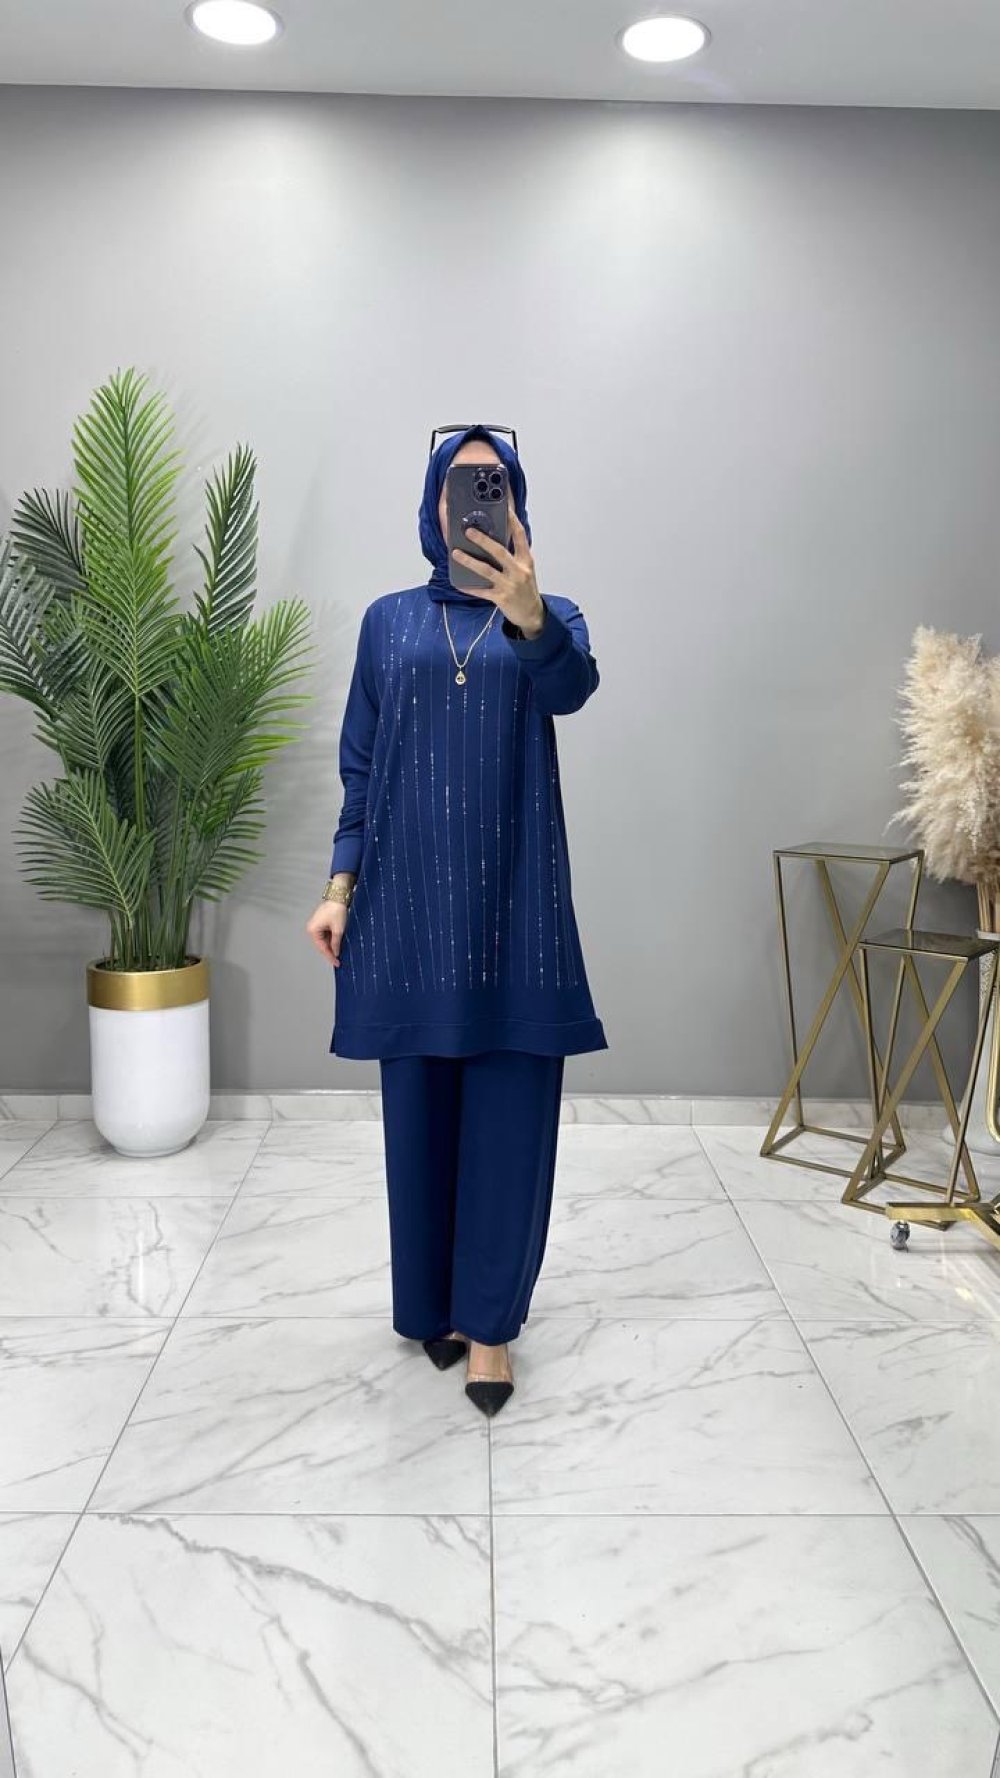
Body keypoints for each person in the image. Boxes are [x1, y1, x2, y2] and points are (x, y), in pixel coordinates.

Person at [306, 423, 607, 1415]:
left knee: (509, 1118)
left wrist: (530, 616)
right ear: (434, 505)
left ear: (516, 504)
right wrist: (339, 889)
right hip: (406, 908)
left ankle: (490, 1330)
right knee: (420, 1122)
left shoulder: (551, 615)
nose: (477, 501)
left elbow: (571, 690)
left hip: (516, 909)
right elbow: (360, 763)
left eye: (495, 484)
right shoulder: (388, 622)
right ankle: (433, 1307)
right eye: (460, 485)